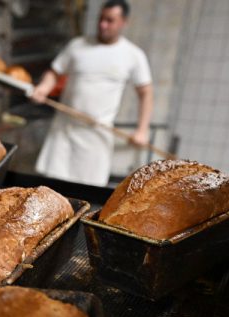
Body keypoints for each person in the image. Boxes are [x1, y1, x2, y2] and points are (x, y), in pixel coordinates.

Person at [31, 0, 153, 186]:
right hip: (64, 130)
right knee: (51, 187)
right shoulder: (77, 45)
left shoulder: (133, 55)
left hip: (97, 134)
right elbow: (54, 72)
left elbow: (146, 92)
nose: (103, 25)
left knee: (88, 191)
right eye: (101, 19)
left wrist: (142, 130)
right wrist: (44, 88)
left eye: (110, 20)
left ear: (123, 22)